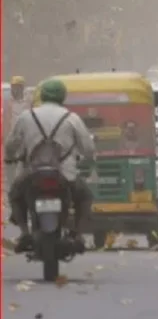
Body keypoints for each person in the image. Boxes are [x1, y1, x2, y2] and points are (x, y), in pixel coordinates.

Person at [5, 79, 96, 252]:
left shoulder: (26, 116)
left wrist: (10, 157)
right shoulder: (72, 118)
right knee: (84, 197)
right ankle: (77, 234)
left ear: (41, 96)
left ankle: (24, 233)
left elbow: (11, 144)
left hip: (31, 175)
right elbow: (88, 148)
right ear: (63, 96)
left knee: (16, 195)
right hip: (65, 176)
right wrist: (88, 159)